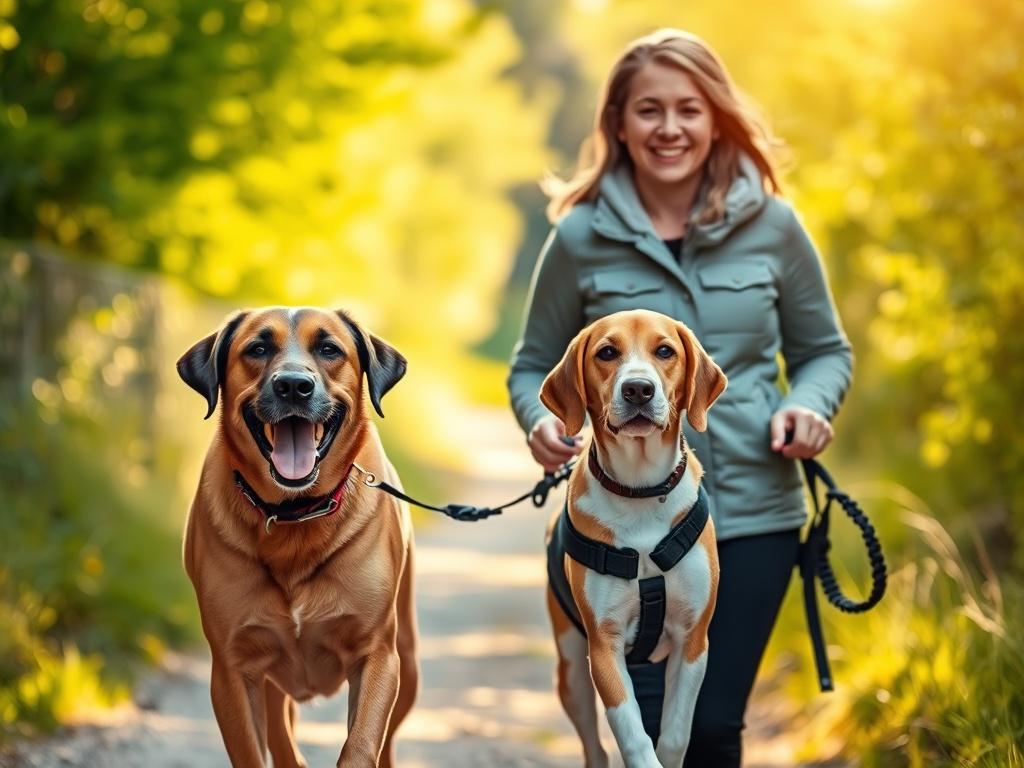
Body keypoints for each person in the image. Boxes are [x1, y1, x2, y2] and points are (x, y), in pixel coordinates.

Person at [507, 28, 852, 767]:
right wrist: (540, 420)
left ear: (716, 118)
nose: (670, 127)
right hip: (611, 527)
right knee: (645, 731)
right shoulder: (579, 236)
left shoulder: (775, 226)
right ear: (619, 123)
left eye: (689, 109)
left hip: (754, 512)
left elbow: (825, 351)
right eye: (649, 109)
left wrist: (810, 405)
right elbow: (534, 364)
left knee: (714, 728)